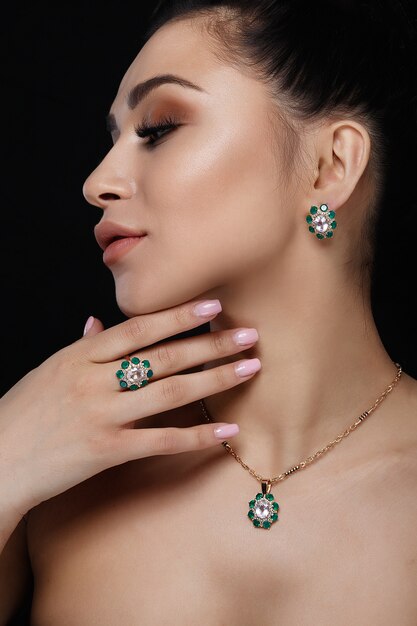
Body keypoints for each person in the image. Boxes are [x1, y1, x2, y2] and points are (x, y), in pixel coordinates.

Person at [1, 0, 417, 623]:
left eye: (159, 128)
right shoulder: (54, 476)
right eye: (113, 139)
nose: (97, 182)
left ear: (329, 168)